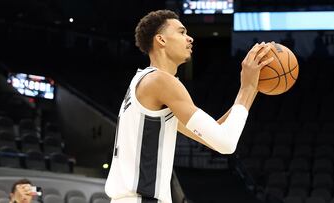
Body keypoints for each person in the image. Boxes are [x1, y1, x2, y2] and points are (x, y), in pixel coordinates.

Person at [105, 9, 273, 203]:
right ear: (161, 40)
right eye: (182, 32)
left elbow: (216, 136)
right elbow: (226, 144)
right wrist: (248, 87)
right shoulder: (161, 81)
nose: (190, 38)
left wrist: (252, 90)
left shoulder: (144, 81)